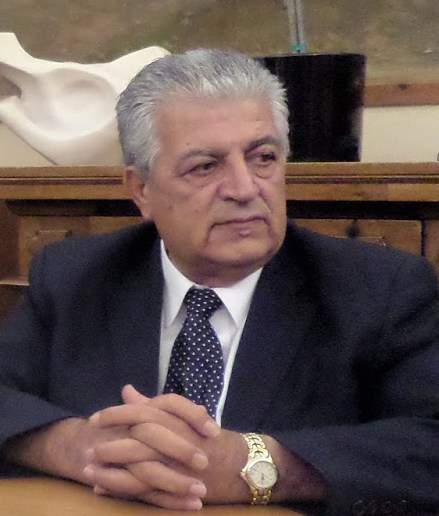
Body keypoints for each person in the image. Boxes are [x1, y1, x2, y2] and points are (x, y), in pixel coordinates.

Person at [0, 49, 438, 516]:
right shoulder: (75, 276)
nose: (245, 189)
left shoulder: (379, 290)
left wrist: (255, 464)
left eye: (263, 158)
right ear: (141, 190)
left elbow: (427, 444)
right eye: (205, 167)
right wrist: (77, 447)